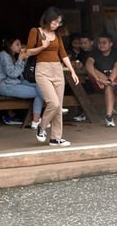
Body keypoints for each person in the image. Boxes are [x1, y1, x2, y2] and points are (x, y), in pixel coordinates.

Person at [26, 7, 79, 146]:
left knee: (59, 106)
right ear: (47, 19)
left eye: (59, 23)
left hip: (57, 69)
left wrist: (72, 71)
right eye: (55, 22)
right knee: (53, 103)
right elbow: (28, 52)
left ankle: (56, 137)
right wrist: (42, 47)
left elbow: (63, 54)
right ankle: (41, 126)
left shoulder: (57, 35)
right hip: (42, 70)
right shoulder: (36, 31)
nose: (56, 25)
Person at [0, 36, 44, 130]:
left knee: (41, 87)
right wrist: (20, 60)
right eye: (17, 44)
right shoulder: (4, 55)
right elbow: (13, 74)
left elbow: (20, 74)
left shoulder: (11, 55)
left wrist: (23, 59)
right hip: (4, 86)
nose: (20, 47)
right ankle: (37, 119)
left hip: (14, 82)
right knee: (40, 92)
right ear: (10, 46)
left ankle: (39, 118)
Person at [85, 33, 117, 127]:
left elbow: (116, 68)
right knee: (93, 70)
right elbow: (88, 64)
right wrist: (97, 78)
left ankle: (109, 116)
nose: (101, 45)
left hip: (114, 79)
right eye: (99, 43)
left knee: (109, 87)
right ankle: (109, 116)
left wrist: (109, 81)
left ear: (111, 44)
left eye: (104, 43)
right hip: (101, 80)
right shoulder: (94, 52)